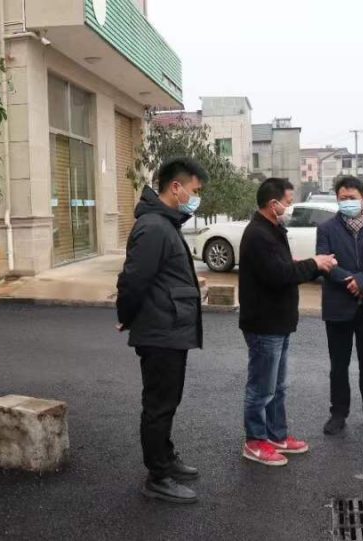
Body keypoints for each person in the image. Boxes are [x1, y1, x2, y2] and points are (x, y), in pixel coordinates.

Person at [116, 157, 207, 504]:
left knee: (167, 402)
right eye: (195, 190)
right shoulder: (154, 226)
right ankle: (157, 476)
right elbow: (133, 280)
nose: (196, 198)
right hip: (160, 331)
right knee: (158, 405)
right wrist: (126, 316)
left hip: (170, 327)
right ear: (176, 187)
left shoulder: (165, 223)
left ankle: (165, 458)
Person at [238, 178, 338, 466]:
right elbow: (279, 275)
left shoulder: (273, 230)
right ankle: (255, 441)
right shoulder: (258, 234)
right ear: (274, 204)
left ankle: (276, 435)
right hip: (264, 324)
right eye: (288, 202)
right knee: (262, 388)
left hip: (278, 322)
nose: (290, 207)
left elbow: (284, 267)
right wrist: (314, 263)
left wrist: (310, 264)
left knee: (278, 387)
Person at [317, 176, 363, 436]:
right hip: (338, 305)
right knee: (338, 365)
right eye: (343, 198)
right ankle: (338, 414)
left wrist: (362, 281)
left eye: (352, 198)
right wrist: (351, 282)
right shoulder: (326, 229)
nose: (347, 202)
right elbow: (325, 263)